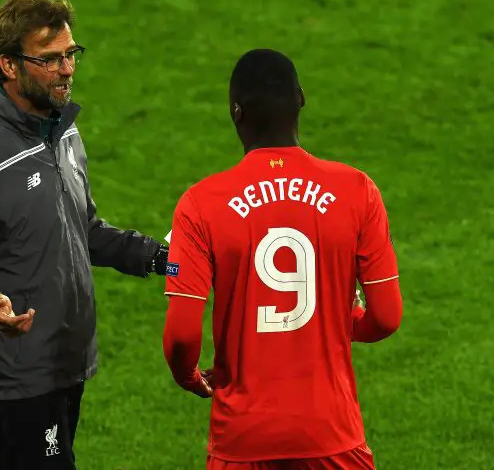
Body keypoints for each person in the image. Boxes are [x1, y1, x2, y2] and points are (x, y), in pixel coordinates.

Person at [0, 0, 169, 470]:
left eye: (70, 54)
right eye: (50, 59)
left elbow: (84, 231)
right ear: (9, 65)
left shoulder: (62, 132)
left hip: (63, 360)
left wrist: (162, 258)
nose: (67, 69)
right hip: (13, 377)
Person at [161, 49, 403, 470]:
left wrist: (189, 376)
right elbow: (386, 317)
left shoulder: (200, 205)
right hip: (332, 435)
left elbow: (182, 336)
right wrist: (335, 318)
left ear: (236, 113)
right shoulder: (357, 191)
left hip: (242, 440)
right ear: (302, 100)